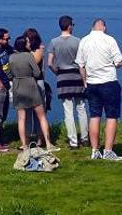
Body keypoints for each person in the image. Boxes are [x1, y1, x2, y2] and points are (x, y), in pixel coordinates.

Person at [76, 18, 122, 161]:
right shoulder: (110, 40)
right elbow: (119, 61)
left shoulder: (84, 41)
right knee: (111, 116)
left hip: (91, 83)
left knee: (94, 116)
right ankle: (108, 151)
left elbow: (81, 65)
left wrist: (85, 82)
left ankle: (95, 150)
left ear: (92, 27)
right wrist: (116, 64)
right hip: (109, 82)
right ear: (104, 27)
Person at [9, 35, 59, 152]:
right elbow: (37, 72)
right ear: (23, 45)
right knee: (41, 116)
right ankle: (48, 143)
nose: (29, 44)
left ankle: (24, 145)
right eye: (27, 43)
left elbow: (9, 74)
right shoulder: (28, 56)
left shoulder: (11, 57)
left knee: (21, 118)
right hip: (31, 86)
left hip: (17, 87)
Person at [47, 15, 89, 149]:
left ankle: (73, 141)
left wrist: (58, 72)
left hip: (63, 77)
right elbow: (83, 62)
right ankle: (85, 138)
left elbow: (49, 63)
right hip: (76, 76)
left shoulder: (53, 42)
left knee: (68, 111)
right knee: (81, 108)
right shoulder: (78, 41)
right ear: (70, 26)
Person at [23, 27, 49, 142]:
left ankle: (39, 138)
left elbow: (34, 62)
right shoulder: (24, 51)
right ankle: (28, 138)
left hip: (38, 82)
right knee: (27, 112)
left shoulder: (40, 49)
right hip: (27, 82)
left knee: (39, 112)